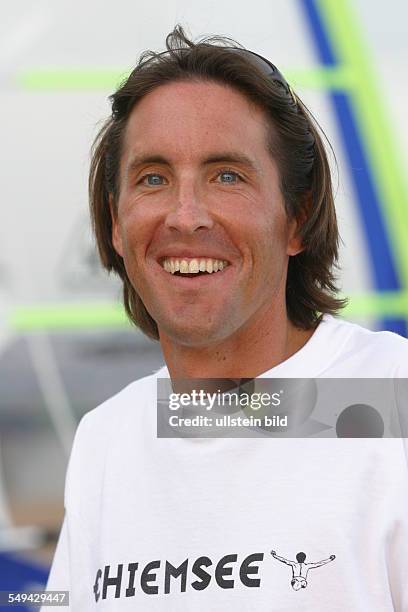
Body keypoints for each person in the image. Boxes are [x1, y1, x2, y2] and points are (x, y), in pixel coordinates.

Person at [43, 25, 408, 610]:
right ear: (115, 222)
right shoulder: (109, 437)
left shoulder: (393, 395)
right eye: (153, 178)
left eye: (227, 176)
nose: (185, 216)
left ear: (297, 216)